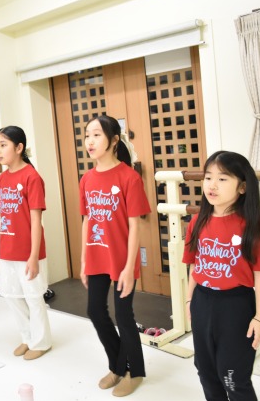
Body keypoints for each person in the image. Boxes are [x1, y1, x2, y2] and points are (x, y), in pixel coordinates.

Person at [183, 151, 260, 401]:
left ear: (242, 187)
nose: (212, 185)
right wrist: (189, 300)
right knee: (205, 371)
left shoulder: (254, 226)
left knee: (233, 376)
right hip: (202, 301)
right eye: (208, 178)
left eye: (223, 179)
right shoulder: (197, 222)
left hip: (236, 306)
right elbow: (194, 265)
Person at [79, 114, 150, 397]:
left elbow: (135, 226)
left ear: (114, 140)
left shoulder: (129, 177)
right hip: (96, 257)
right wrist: (83, 260)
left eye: (97, 134)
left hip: (122, 259)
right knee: (95, 311)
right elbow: (87, 220)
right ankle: (118, 365)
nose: (90, 141)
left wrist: (130, 267)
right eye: (87, 135)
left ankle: (136, 371)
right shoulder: (87, 179)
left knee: (124, 316)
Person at [0, 126, 52, 361]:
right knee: (11, 295)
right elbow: (6, 215)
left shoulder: (32, 177)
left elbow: (36, 220)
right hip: (7, 249)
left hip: (29, 251)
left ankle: (42, 342)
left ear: (19, 148)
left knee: (33, 297)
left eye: (3, 145)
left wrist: (33, 256)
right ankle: (27, 337)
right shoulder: (1, 179)